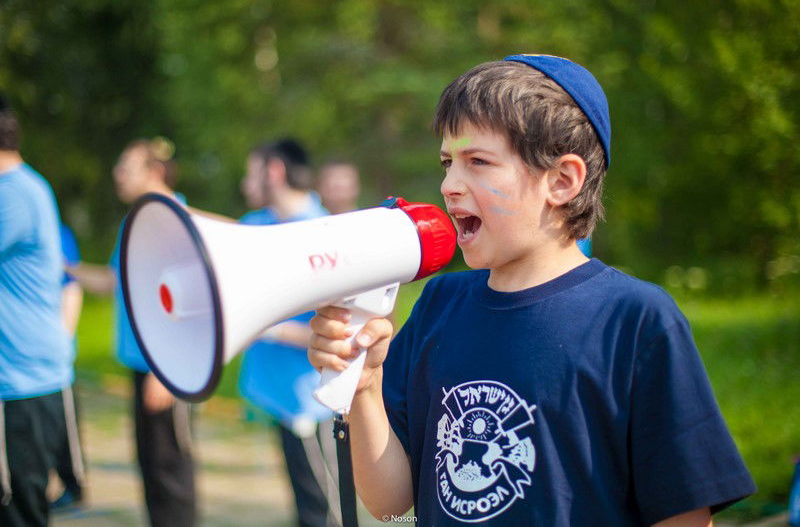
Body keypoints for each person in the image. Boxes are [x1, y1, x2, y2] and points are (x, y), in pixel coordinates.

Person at [307, 55, 756, 525]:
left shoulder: (635, 319)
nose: (449, 185)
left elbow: (684, 513)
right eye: (447, 162)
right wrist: (364, 386)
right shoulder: (439, 305)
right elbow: (388, 501)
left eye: (478, 162)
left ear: (562, 181)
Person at [70, 138, 196, 526]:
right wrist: (60, 267)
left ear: (155, 171)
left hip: (166, 368)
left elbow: (191, 298)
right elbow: (113, 280)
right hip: (142, 362)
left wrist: (167, 372)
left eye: (127, 166)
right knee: (150, 467)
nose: (117, 173)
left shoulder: (174, 218)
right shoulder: (137, 220)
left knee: (170, 470)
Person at [238, 139, 340, 527]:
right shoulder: (255, 226)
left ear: (274, 172)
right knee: (303, 506)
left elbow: (340, 333)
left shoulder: (324, 232)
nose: (247, 183)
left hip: (310, 403)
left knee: (324, 510)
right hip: (278, 397)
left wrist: (269, 326)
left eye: (252, 172)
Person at [0, 96, 73, 526]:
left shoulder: (16, 196)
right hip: (20, 382)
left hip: (20, 385)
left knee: (18, 514)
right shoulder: (22, 188)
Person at [50, 223, 87, 511]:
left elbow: (71, 285)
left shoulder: (58, 232)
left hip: (55, 354)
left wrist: (65, 338)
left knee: (65, 422)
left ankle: (75, 482)